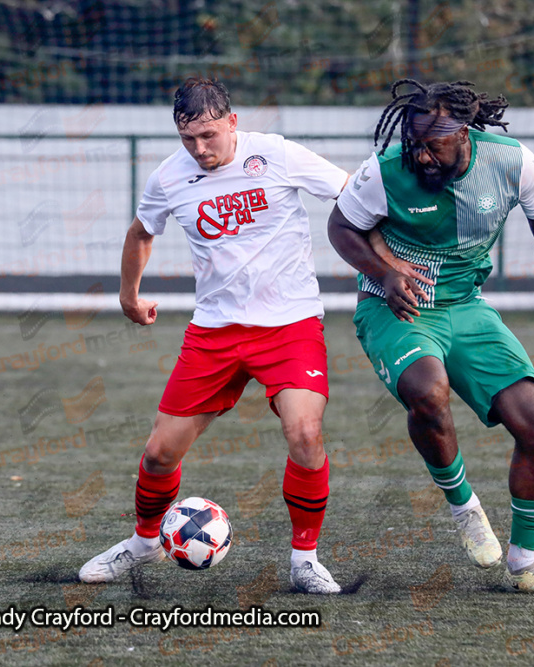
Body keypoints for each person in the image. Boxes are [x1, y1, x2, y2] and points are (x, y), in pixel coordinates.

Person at [79, 78, 349, 594]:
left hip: (290, 326)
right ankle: (143, 543)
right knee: (160, 452)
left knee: (305, 435)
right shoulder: (168, 177)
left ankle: (304, 559)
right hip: (215, 332)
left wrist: (384, 259)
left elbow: (352, 192)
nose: (199, 150)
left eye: (208, 136)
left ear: (232, 122)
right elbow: (141, 232)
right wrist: (128, 296)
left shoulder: (276, 154)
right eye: (188, 140)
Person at [327, 79, 534, 594]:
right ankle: (465, 507)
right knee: (428, 391)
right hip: (394, 307)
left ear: (465, 131)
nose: (421, 154)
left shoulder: (514, 164)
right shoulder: (385, 172)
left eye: (435, 143)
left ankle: (527, 564)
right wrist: (382, 273)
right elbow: (341, 228)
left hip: (466, 308)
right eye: (415, 142)